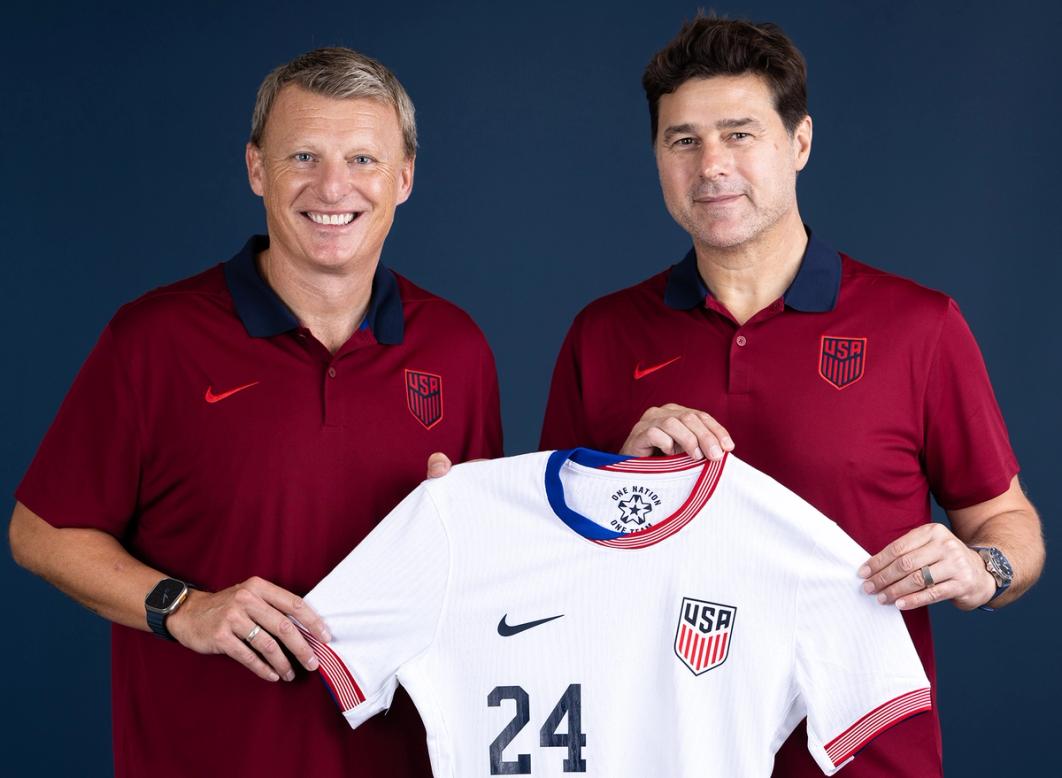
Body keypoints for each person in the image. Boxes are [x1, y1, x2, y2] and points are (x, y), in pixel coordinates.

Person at [534, 15, 1044, 778]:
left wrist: (984, 570)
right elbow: (549, 566)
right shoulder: (602, 333)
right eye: (683, 141)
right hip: (655, 752)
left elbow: (1008, 523)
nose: (712, 166)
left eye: (740, 133)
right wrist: (616, 485)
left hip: (868, 759)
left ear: (799, 142)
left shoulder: (919, 325)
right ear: (657, 157)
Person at [8, 47, 501, 777]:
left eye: (363, 159)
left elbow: (484, 586)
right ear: (256, 169)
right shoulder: (156, 338)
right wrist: (183, 607)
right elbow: (39, 533)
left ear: (403, 179)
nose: (334, 186)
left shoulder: (456, 348)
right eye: (304, 155)